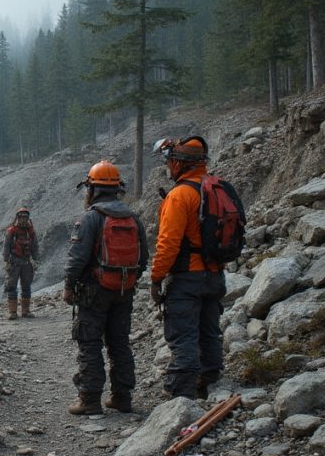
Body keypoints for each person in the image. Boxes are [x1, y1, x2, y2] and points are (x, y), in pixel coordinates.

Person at [62, 160, 148, 415]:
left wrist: (69, 286)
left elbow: (77, 257)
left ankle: (89, 400)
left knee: (89, 342)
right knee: (119, 343)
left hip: (94, 292)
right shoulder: (133, 218)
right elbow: (144, 258)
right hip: (124, 291)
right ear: (117, 188)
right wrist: (128, 281)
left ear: (92, 189)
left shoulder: (91, 218)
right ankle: (122, 398)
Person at [150, 136, 228, 399]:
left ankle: (180, 395)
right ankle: (210, 383)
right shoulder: (218, 189)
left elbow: (168, 244)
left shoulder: (180, 195)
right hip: (215, 274)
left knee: (183, 336)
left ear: (177, 163)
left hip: (187, 277)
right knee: (209, 331)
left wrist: (156, 277)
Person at [3, 207, 39, 319]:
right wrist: (6, 261)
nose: (24, 219)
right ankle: (13, 312)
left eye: (26, 217)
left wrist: (36, 259)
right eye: (22, 217)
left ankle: (26, 311)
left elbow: (34, 246)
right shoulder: (11, 231)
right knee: (12, 286)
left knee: (26, 286)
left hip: (27, 262)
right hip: (14, 262)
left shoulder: (30, 232)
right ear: (18, 218)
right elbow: (6, 246)